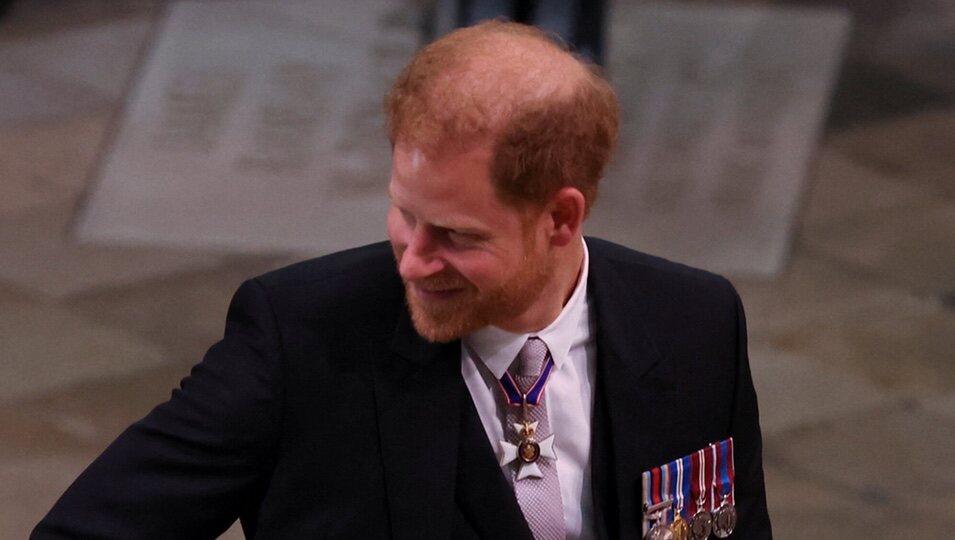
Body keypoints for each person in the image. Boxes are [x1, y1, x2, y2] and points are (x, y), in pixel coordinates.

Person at [33, 21, 772, 539]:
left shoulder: (694, 323)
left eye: (455, 235)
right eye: (403, 213)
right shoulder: (299, 342)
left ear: (559, 218)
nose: (412, 260)